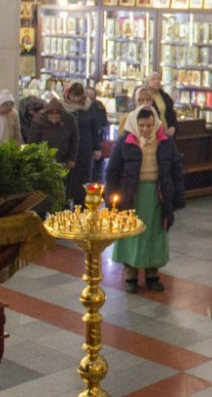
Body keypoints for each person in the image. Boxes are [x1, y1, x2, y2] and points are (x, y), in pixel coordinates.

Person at [105, 105, 184, 293]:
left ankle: (152, 275)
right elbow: (112, 172)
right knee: (132, 235)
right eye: (142, 125)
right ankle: (130, 276)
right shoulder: (124, 142)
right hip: (132, 194)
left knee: (154, 234)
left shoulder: (165, 141)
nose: (146, 129)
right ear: (135, 123)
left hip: (156, 194)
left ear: (155, 123)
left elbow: (176, 169)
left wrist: (177, 197)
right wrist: (110, 199)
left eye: (149, 125)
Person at [61, 82, 102, 206]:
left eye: (78, 96)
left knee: (82, 180)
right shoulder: (62, 107)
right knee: (65, 178)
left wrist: (96, 148)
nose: (76, 99)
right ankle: (64, 206)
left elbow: (94, 128)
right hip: (67, 147)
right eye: (74, 96)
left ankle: (81, 205)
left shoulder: (89, 107)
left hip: (84, 148)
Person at [27, 98, 79, 170]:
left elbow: (74, 139)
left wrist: (72, 158)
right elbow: (32, 141)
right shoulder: (39, 120)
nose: (54, 121)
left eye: (57, 118)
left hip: (63, 159)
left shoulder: (69, 119)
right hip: (43, 159)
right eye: (51, 117)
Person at [146, 72, 177, 137]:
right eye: (153, 79)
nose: (156, 81)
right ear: (148, 82)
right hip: (154, 133)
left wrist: (173, 126)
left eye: (158, 79)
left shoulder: (165, 96)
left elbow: (172, 113)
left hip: (168, 132)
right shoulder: (146, 98)